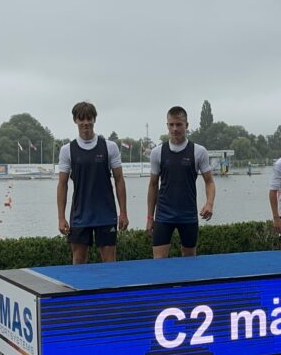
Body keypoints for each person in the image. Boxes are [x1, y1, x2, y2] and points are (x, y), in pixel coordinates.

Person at [56, 101, 129, 264]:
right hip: (80, 215)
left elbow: (119, 180)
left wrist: (123, 212)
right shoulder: (67, 150)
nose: (86, 123)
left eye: (89, 119)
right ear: (75, 120)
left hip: (106, 214)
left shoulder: (109, 147)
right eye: (81, 119)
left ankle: (110, 290)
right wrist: (61, 217)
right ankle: (80, 291)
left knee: (110, 262)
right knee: (79, 261)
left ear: (94, 119)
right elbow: (62, 184)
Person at [146, 106, 216, 258]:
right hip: (163, 215)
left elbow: (209, 181)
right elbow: (153, 185)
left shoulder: (198, 151)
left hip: (188, 215)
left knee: (189, 262)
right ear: (167, 126)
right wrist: (150, 217)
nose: (175, 129)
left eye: (179, 124)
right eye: (171, 125)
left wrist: (209, 203)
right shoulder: (157, 152)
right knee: (159, 262)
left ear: (187, 126)